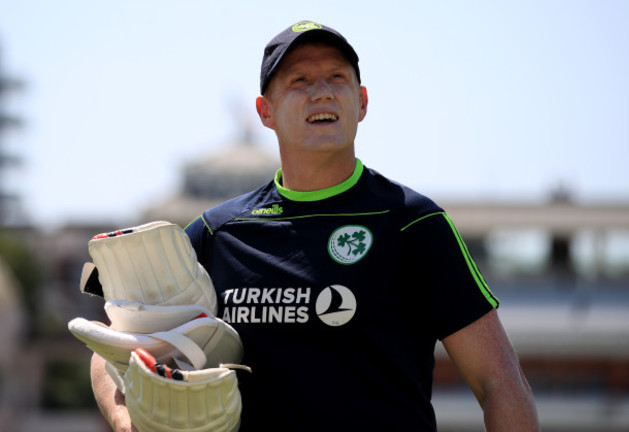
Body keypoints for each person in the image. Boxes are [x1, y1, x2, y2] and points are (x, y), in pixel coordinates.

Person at [90, 20, 539, 431]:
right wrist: (126, 421)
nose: (321, 92)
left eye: (337, 78)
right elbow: (108, 342)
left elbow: (500, 382)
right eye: (300, 81)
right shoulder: (218, 232)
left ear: (361, 103)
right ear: (266, 112)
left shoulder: (412, 223)